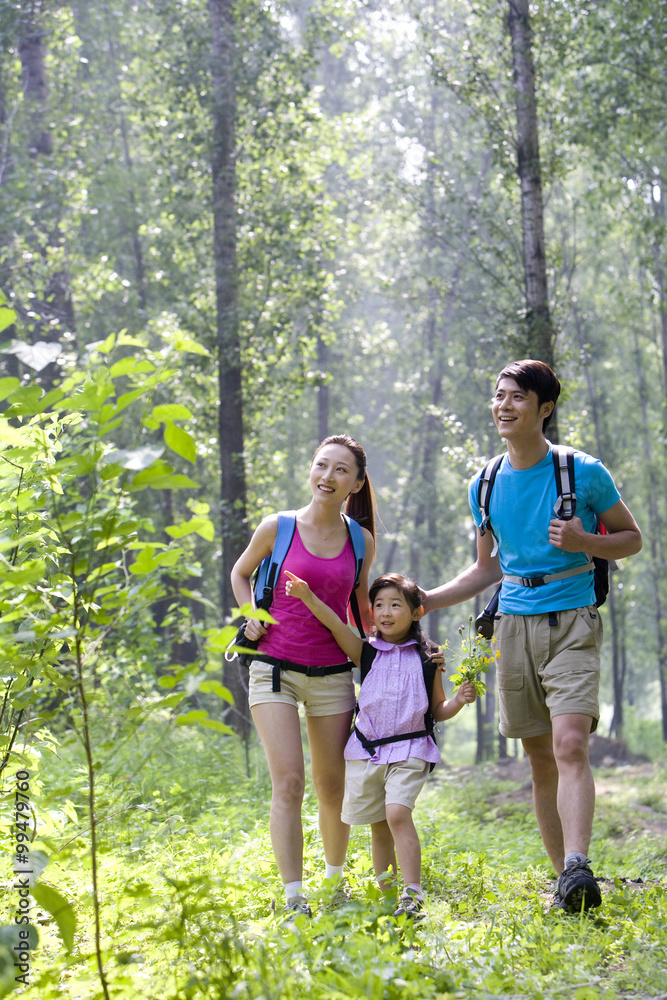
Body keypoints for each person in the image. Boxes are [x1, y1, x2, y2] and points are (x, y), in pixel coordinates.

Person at [423, 359, 642, 913]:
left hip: (572, 618)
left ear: (545, 408)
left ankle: (578, 863)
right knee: (540, 759)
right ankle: (565, 886)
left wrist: (583, 540)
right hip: (513, 626)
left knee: (571, 743)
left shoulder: (582, 472)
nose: (504, 406)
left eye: (517, 397)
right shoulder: (485, 483)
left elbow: (631, 538)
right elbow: (486, 569)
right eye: (498, 396)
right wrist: (426, 599)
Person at [230, 434, 376, 917]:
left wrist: (388, 653)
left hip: (334, 672)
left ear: (355, 483)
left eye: (340, 470)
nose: (327, 477)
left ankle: (334, 882)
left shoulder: (361, 540)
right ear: (310, 471)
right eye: (321, 466)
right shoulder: (278, 527)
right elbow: (240, 573)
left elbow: (358, 607)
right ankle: (295, 897)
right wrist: (250, 613)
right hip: (273, 667)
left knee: (332, 784)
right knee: (289, 781)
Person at [285, 569, 477, 919]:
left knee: (397, 813)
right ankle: (390, 900)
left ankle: (413, 893)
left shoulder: (428, 657)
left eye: (396, 605)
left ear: (417, 612)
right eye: (379, 605)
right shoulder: (367, 652)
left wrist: (460, 700)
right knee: (379, 825)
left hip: (411, 748)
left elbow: (438, 709)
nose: (386, 612)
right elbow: (336, 625)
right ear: (371, 612)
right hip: (369, 751)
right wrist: (308, 596)